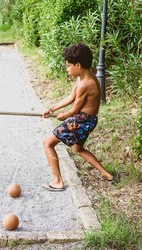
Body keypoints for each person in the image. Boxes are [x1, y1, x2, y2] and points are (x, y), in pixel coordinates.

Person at [42, 43, 114, 191]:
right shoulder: (82, 77)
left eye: (68, 66)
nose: (67, 69)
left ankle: (57, 181)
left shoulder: (86, 84)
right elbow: (71, 97)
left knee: (48, 143)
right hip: (86, 120)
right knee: (78, 149)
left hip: (82, 121)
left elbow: (75, 108)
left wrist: (64, 116)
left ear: (78, 65)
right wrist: (52, 108)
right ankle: (107, 174)